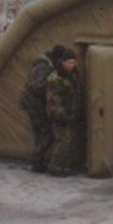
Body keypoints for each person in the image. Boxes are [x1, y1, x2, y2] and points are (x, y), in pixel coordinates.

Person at [20, 44, 66, 173]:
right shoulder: (44, 67)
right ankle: (36, 161)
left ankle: (38, 161)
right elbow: (37, 86)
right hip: (35, 106)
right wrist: (54, 85)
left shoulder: (46, 64)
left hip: (35, 105)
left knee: (41, 134)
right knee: (46, 134)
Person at [45, 48, 83, 177]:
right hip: (60, 116)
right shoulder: (55, 79)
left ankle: (64, 166)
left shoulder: (72, 76)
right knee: (63, 141)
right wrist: (61, 115)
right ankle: (55, 167)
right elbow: (53, 100)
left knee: (71, 141)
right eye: (69, 63)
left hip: (70, 114)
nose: (72, 65)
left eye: (73, 62)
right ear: (63, 63)